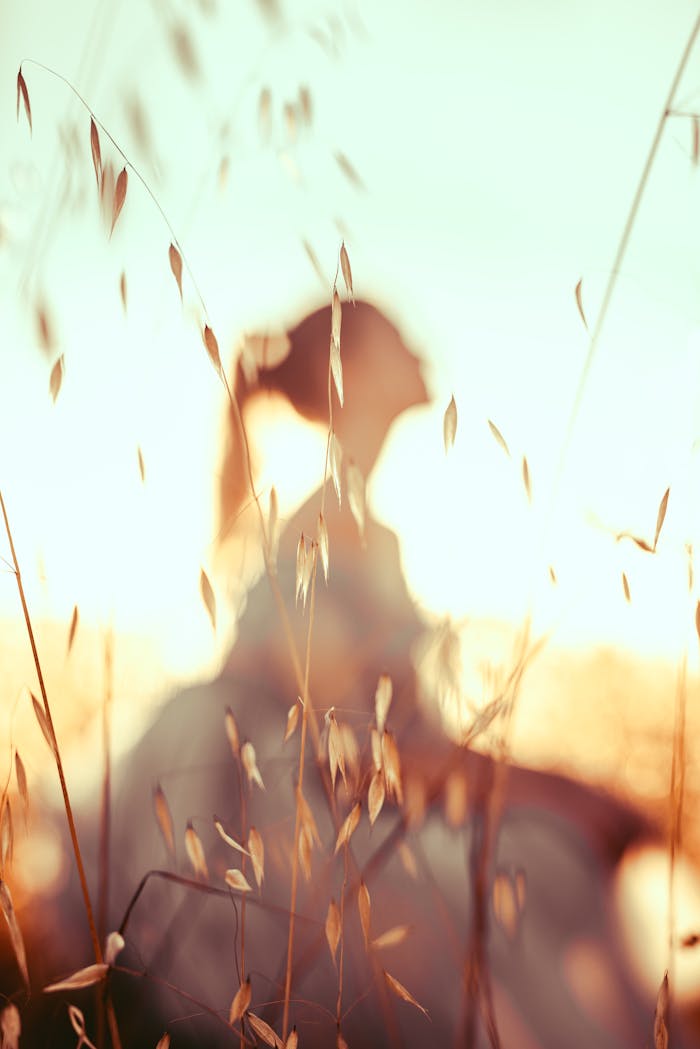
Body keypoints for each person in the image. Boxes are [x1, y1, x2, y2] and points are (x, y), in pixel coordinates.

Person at [12, 301, 685, 1047]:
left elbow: (400, 736)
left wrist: (551, 787)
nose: (423, 345)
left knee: (549, 857)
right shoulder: (318, 529)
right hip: (273, 817)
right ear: (352, 370)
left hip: (337, 800)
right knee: (531, 865)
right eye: (400, 334)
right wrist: (558, 789)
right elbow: (353, 756)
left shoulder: (367, 532)